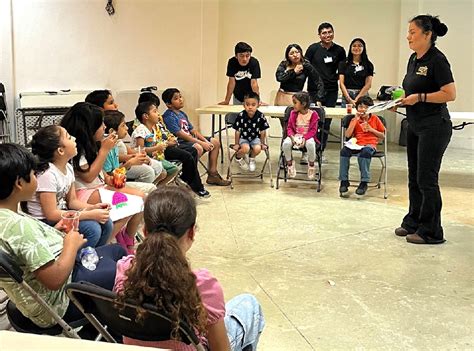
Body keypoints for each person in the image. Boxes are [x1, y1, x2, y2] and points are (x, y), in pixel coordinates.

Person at [114, 186, 265, 350]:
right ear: (192, 232)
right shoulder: (202, 285)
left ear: (144, 231)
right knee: (249, 305)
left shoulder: (125, 271)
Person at [0, 143, 126, 329]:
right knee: (125, 270)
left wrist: (56, 232)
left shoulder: (7, 218)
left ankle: (99, 325)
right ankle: (112, 329)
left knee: (116, 251)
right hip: (58, 303)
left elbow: (25, 252)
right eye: (34, 174)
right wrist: (71, 244)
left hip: (32, 300)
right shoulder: (19, 226)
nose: (36, 178)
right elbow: (54, 279)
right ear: (19, 183)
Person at [394, 15, 455, 244]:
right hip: (415, 124)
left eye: (412, 32)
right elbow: (409, 88)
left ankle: (431, 231)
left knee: (426, 179)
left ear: (427, 35)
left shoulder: (437, 61)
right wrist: (399, 101)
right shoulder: (413, 59)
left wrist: (419, 97)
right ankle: (414, 221)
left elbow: (450, 94)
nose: (408, 36)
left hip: (434, 126)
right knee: (413, 177)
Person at [60, 102, 144, 254]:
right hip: (85, 192)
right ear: (90, 128)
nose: (104, 128)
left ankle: (126, 239)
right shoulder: (77, 150)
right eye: (101, 125)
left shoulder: (95, 144)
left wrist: (110, 179)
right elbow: (88, 177)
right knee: (131, 204)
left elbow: (101, 174)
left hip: (98, 188)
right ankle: (106, 245)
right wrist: (104, 151)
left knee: (140, 199)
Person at [27, 125, 113, 248]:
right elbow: (51, 214)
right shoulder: (47, 174)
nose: (74, 138)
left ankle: (92, 256)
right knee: (92, 228)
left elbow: (72, 201)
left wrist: (92, 207)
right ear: (60, 150)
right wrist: (89, 214)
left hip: (62, 213)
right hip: (44, 222)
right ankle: (76, 261)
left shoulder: (67, 167)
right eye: (68, 137)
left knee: (107, 223)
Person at [133, 101, 211, 198]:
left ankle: (160, 189)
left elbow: (162, 138)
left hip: (158, 154)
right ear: (146, 116)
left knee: (185, 158)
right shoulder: (141, 129)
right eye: (155, 111)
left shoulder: (155, 127)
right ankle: (156, 190)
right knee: (184, 157)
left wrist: (169, 141)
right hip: (150, 157)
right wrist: (159, 146)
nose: (158, 114)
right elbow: (140, 149)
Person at [162, 88, 231, 186]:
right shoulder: (168, 117)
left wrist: (204, 141)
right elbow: (182, 135)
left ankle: (213, 174)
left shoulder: (182, 114)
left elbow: (193, 130)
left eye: (180, 96)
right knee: (197, 148)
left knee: (215, 142)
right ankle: (188, 174)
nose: (181, 99)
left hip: (189, 139)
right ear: (169, 104)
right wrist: (201, 143)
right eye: (176, 98)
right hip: (180, 142)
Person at [305, 22, 346, 152]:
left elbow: (342, 71)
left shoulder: (339, 50)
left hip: (331, 90)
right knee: (311, 119)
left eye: (329, 32)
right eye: (324, 33)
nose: (327, 35)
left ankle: (320, 150)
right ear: (319, 35)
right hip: (314, 90)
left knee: (326, 120)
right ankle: (308, 150)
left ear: (333, 33)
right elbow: (305, 67)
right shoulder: (313, 49)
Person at [103, 109, 165, 191]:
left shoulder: (114, 144)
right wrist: (130, 163)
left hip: (118, 179)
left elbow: (116, 169)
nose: (127, 128)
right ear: (112, 131)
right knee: (149, 180)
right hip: (113, 184)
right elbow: (110, 176)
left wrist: (134, 157)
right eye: (123, 125)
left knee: (157, 169)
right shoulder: (106, 148)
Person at [338, 96, 385, 197]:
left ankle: (364, 182)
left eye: (366, 107)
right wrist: (355, 121)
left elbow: (382, 135)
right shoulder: (354, 119)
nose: (363, 109)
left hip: (370, 144)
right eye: (360, 107)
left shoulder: (375, 119)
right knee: (344, 151)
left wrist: (371, 129)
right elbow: (347, 135)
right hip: (356, 143)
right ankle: (344, 180)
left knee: (365, 152)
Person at [281, 92, 320, 180]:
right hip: (295, 135)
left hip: (308, 136)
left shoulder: (313, 115)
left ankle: (311, 165)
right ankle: (290, 163)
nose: (293, 105)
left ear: (303, 104)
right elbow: (289, 128)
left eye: (295, 103)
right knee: (286, 144)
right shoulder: (293, 113)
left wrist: (304, 139)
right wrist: (292, 137)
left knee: (311, 144)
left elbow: (313, 131)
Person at [231, 92, 270, 172]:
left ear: (258, 105)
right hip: (243, 138)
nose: (250, 107)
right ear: (243, 105)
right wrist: (236, 144)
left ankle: (251, 159)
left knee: (258, 148)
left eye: (253, 105)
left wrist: (262, 143)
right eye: (247, 104)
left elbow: (263, 131)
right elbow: (237, 131)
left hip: (255, 138)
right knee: (245, 148)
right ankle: (238, 158)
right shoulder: (241, 115)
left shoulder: (260, 116)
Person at [338, 38, 374, 107]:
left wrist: (358, 99)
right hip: (347, 94)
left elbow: (368, 84)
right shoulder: (343, 63)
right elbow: (341, 83)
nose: (356, 48)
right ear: (350, 48)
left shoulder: (368, 65)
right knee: (347, 117)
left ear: (364, 48)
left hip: (362, 95)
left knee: (362, 116)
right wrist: (348, 99)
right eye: (354, 46)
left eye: (359, 46)